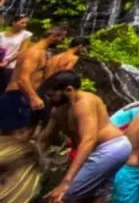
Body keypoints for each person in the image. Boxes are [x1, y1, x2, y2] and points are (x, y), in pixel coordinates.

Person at [37, 70, 132, 203]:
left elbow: (89, 140)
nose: (48, 100)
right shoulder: (58, 109)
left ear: (68, 90)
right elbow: (45, 138)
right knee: (94, 197)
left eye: (51, 95)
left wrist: (66, 182)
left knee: (63, 196)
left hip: (111, 148)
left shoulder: (84, 103)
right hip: (98, 151)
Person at [1, 26, 67, 139]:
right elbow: (23, 79)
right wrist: (33, 97)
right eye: (62, 38)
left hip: (25, 95)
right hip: (17, 95)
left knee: (24, 132)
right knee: (14, 135)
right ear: (53, 36)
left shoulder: (42, 53)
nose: (63, 42)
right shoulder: (34, 53)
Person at [0, 14, 32, 92]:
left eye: (26, 23)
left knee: (4, 88)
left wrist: (8, 61)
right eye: (22, 23)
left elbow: (22, 50)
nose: (24, 25)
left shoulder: (26, 35)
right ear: (14, 22)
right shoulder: (1, 35)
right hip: (0, 63)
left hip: (11, 66)